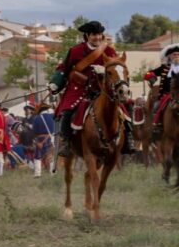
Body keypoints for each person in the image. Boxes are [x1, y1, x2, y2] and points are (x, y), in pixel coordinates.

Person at [50, 20, 133, 156]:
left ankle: (129, 139)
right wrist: (55, 82)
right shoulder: (76, 51)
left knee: (127, 107)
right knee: (68, 111)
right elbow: (64, 68)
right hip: (79, 88)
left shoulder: (109, 51)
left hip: (103, 89)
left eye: (99, 34)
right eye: (94, 35)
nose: (97, 37)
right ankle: (66, 142)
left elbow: (116, 67)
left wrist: (104, 70)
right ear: (87, 36)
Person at [148, 44, 179, 140]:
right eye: (174, 55)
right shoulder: (164, 68)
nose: (177, 56)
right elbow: (150, 73)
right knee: (157, 106)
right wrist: (151, 77)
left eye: (178, 54)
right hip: (166, 93)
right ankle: (156, 124)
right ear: (169, 56)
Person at [30, 102, 55, 178]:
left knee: (37, 157)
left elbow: (34, 131)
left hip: (40, 139)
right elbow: (53, 129)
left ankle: (37, 174)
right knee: (50, 156)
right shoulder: (52, 116)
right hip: (49, 138)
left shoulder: (36, 118)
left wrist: (38, 142)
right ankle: (52, 173)